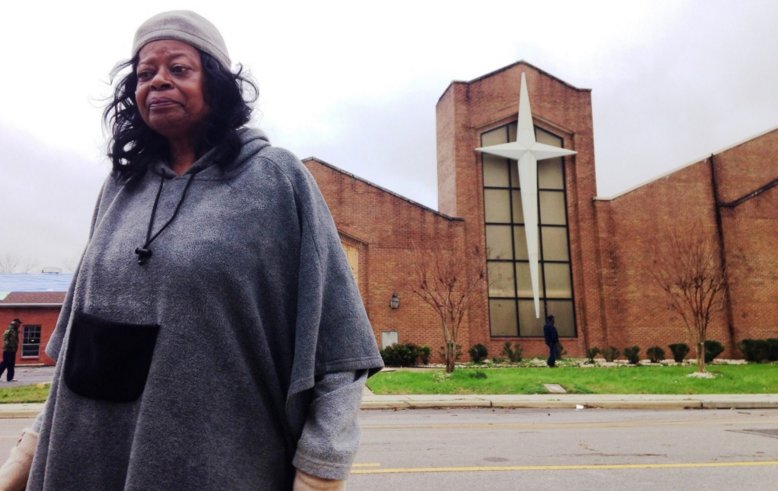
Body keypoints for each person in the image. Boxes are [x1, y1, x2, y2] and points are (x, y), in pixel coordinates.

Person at [0, 11, 383, 490]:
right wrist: (30, 448)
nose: (157, 81)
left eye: (178, 69)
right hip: (84, 461)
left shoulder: (274, 180)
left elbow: (338, 345)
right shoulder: (121, 187)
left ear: (216, 83)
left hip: (218, 462)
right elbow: (85, 347)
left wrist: (319, 472)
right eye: (144, 74)